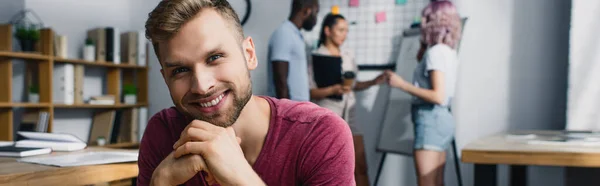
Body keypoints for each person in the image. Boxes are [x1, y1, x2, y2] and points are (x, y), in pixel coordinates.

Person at [139, 0, 355, 185]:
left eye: (214, 57)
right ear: (166, 79)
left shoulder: (321, 134)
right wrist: (161, 181)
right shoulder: (162, 133)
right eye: (180, 70)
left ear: (249, 55)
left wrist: (241, 177)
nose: (202, 86)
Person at [386, 1, 462, 186]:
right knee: (437, 182)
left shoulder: (435, 53)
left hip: (430, 120)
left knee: (426, 182)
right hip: (442, 120)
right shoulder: (448, 51)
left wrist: (401, 84)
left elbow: (437, 96)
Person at [308, 13, 388, 186]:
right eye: (341, 30)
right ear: (328, 31)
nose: (344, 34)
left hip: (350, 115)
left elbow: (354, 85)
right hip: (329, 115)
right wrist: (333, 89)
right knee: (332, 168)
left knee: (361, 165)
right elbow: (311, 92)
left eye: (347, 31)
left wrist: (374, 81)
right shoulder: (315, 56)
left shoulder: (348, 55)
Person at [267, 0, 320, 101]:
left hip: (298, 107)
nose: (315, 19)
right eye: (316, 12)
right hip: (290, 110)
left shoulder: (295, 34)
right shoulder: (284, 33)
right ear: (306, 11)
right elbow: (280, 79)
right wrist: (287, 112)